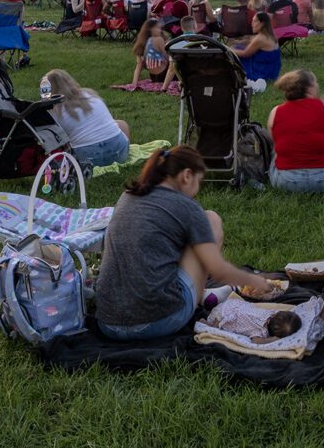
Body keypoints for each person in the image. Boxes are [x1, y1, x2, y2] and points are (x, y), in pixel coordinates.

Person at [93, 146, 279, 341]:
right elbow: (219, 271)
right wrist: (256, 280)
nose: (198, 190)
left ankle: (199, 294)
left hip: (108, 322)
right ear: (187, 176)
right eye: (199, 181)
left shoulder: (128, 196)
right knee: (211, 219)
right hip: (157, 322)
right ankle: (196, 300)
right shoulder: (187, 207)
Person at [267, 69, 324, 192]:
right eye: (316, 83)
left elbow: (275, 145)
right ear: (309, 88)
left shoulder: (275, 112)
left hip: (286, 181)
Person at [41, 68, 133, 170]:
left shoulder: (54, 110)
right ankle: (123, 155)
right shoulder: (90, 94)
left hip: (87, 159)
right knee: (121, 124)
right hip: (119, 152)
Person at [232, 11, 282, 91]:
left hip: (262, 72)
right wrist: (241, 42)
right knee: (239, 46)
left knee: (236, 54)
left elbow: (245, 54)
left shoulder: (260, 38)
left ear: (262, 23)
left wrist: (229, 50)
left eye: (254, 21)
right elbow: (251, 40)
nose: (252, 24)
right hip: (273, 71)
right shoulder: (271, 35)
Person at [128, 14, 175, 87]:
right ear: (151, 29)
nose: (160, 30)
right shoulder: (159, 40)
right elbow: (168, 58)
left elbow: (139, 65)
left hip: (154, 77)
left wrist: (134, 83)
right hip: (165, 75)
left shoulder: (141, 44)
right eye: (158, 28)